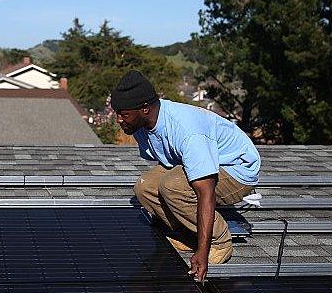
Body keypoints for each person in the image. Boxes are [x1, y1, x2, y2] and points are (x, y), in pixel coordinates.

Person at [111, 71, 260, 281]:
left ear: (145, 109)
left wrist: (202, 251)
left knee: (172, 187)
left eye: (123, 114)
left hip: (234, 168)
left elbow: (205, 192)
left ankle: (219, 242)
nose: (118, 120)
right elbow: (167, 163)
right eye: (117, 113)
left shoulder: (187, 130)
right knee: (145, 187)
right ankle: (188, 235)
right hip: (198, 161)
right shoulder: (141, 125)